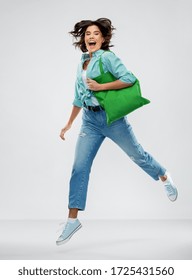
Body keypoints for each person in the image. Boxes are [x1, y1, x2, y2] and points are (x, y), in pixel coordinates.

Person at [56, 18, 178, 246]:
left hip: (112, 119)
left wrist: (102, 87)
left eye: (95, 34)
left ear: (103, 39)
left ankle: (163, 175)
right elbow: (77, 97)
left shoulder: (108, 57)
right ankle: (72, 220)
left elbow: (129, 79)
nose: (91, 37)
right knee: (79, 167)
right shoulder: (82, 61)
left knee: (137, 155)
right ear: (83, 39)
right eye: (87, 34)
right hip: (89, 121)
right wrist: (69, 123)